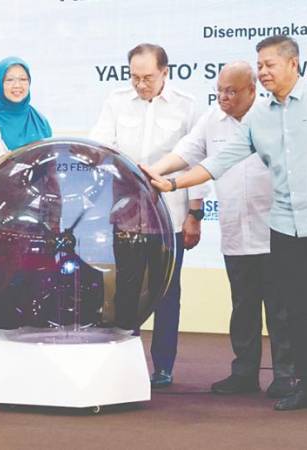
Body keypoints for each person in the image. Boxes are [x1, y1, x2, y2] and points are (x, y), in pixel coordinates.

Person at [142, 35, 307, 414]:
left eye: (270, 65)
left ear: (293, 64)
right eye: (260, 65)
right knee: (297, 313)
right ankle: (306, 387)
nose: (264, 71)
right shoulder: (259, 118)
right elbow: (218, 160)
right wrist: (171, 182)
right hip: (283, 229)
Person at [172, 61, 295, 398]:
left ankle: (286, 375)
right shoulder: (212, 119)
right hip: (235, 230)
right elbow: (188, 154)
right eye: (220, 91)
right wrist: (157, 172)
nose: (224, 97)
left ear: (252, 90)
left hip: (276, 230)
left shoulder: (273, 116)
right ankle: (244, 373)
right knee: (243, 308)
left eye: (231, 91)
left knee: (280, 309)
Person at [89, 43, 209, 388]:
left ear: (165, 73)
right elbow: (100, 144)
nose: (140, 85)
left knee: (167, 292)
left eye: (148, 78)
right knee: (126, 290)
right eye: (135, 77)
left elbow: (197, 160)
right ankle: (124, 360)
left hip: (169, 216)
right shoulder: (116, 101)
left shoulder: (186, 106)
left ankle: (163, 367)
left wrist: (194, 214)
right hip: (125, 213)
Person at [0, 56, 53, 378]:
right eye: (10, 80)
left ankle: (26, 363)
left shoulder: (40, 121)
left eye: (23, 80)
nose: (17, 86)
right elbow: (5, 165)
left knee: (31, 285)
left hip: (36, 219)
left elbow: (51, 165)